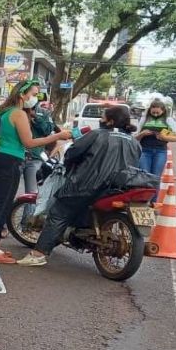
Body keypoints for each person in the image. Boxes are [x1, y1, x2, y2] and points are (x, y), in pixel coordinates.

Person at [18, 105, 142, 266]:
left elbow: (72, 153)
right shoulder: (134, 141)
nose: (100, 120)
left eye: (103, 117)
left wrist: (70, 166)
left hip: (86, 185)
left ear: (110, 121)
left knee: (58, 213)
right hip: (118, 188)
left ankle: (38, 254)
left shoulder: (96, 135)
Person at [0, 79, 72, 264]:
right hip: (10, 160)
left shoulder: (5, 111)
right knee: (1, 204)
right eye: (33, 94)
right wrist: (58, 136)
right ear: (22, 94)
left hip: (0, 159)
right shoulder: (18, 114)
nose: (35, 98)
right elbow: (29, 142)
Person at [136, 98, 176, 184]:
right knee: (144, 178)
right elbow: (135, 138)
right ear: (149, 111)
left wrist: (164, 137)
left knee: (155, 179)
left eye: (158, 113)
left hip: (160, 152)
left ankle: (154, 198)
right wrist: (142, 134)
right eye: (153, 113)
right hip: (145, 151)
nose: (155, 115)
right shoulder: (144, 119)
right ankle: (145, 197)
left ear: (163, 111)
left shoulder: (168, 120)